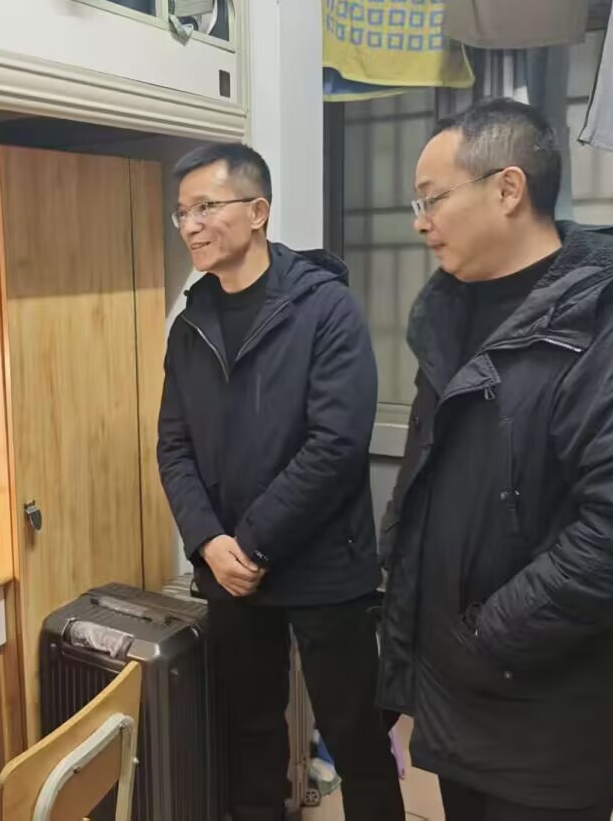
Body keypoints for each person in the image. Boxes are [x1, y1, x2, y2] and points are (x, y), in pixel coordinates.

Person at [378, 99, 613, 821]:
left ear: (507, 188)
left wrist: (482, 639)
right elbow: (430, 484)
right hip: (459, 694)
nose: (419, 222)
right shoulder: (450, 321)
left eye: (432, 199)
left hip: (546, 715)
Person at [158, 144, 404, 821]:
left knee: (355, 737)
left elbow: (336, 444)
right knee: (250, 732)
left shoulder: (326, 309)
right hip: (229, 570)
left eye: (206, 207)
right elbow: (173, 447)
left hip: (322, 565)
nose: (190, 225)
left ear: (258, 211)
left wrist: (251, 544)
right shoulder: (191, 326)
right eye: (182, 212)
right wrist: (208, 542)